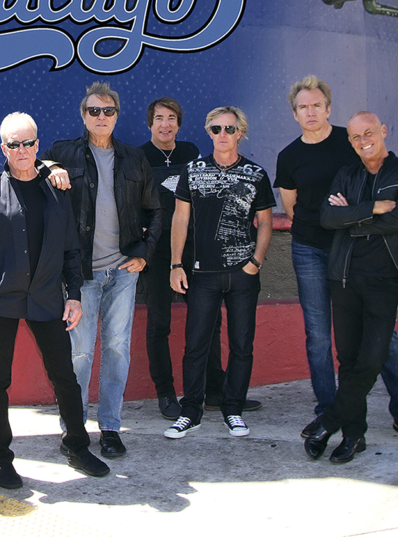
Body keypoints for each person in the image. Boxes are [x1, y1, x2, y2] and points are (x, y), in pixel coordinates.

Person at [0, 113, 110, 489]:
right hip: (0, 301)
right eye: (14, 144)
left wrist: (73, 295)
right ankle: (2, 459)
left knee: (65, 377)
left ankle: (77, 446)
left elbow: (71, 250)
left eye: (28, 143)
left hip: (46, 299)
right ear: (3, 148)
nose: (22, 150)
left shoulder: (57, 190)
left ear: (38, 145)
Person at [274, 76, 398, 445]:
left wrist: (350, 214)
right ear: (294, 114)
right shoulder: (289, 156)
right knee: (319, 336)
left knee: (382, 334)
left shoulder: (351, 140)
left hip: (358, 250)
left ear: (328, 108)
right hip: (310, 248)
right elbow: (293, 207)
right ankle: (330, 409)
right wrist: (363, 211)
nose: (310, 112)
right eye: (302, 107)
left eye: (316, 105)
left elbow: (377, 181)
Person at [41, 82, 163, 459]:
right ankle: (73, 428)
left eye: (108, 111)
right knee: (79, 353)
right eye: (94, 111)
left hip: (123, 271)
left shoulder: (133, 158)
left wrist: (145, 252)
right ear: (83, 115)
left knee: (116, 348)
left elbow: (156, 209)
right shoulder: (63, 153)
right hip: (82, 275)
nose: (101, 117)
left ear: (117, 115)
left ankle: (110, 427)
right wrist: (49, 167)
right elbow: (22, 165)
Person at [304, 111, 398, 463]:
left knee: (372, 358)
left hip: (383, 279)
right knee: (349, 358)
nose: (362, 140)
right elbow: (328, 218)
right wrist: (373, 208)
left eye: (368, 133)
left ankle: (328, 423)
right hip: (343, 276)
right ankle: (354, 437)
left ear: (383, 131)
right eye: (356, 137)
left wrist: (352, 217)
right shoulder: (347, 174)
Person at [165, 106, 274, 440]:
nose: (222, 135)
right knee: (196, 344)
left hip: (243, 274)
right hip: (203, 274)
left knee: (242, 344)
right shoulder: (192, 171)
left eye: (229, 128)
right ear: (208, 131)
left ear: (240, 132)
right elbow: (180, 219)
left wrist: (256, 261)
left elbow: (266, 221)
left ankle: (234, 409)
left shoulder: (255, 173)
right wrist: (175, 264)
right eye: (216, 129)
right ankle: (191, 412)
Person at [138, 98, 199, 419]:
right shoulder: (138, 156)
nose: (165, 124)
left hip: (193, 249)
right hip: (157, 252)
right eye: (159, 118)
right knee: (159, 323)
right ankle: (165, 393)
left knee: (206, 321)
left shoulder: (190, 153)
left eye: (171, 118)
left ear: (179, 123)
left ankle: (212, 390)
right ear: (150, 124)